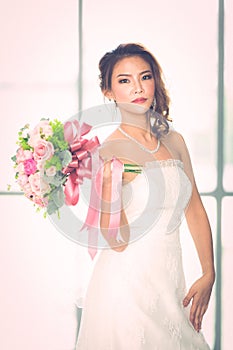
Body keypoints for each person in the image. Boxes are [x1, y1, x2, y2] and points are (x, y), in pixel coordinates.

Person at [75, 43, 215, 349]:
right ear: (109, 92)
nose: (138, 87)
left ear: (156, 81)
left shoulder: (175, 141)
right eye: (124, 80)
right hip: (125, 288)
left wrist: (208, 272)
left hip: (170, 285)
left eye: (145, 77)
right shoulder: (107, 152)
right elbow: (118, 242)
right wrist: (110, 188)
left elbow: (194, 209)